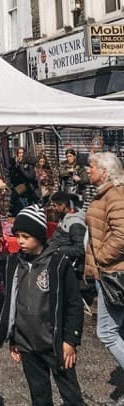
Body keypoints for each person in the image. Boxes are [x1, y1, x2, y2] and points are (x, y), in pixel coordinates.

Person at [0, 205, 85, 406]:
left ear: (39, 235)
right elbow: (12, 304)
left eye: (26, 236)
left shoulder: (58, 263)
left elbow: (73, 304)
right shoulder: (14, 264)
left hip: (55, 344)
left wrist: (71, 340)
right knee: (39, 396)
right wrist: (13, 337)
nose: (20, 241)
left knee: (71, 395)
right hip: (28, 344)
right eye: (18, 235)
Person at [84, 151, 124, 370]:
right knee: (117, 330)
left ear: (105, 172)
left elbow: (122, 235)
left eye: (93, 166)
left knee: (107, 332)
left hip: (113, 273)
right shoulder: (107, 194)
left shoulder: (115, 195)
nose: (89, 169)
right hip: (109, 273)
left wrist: (100, 257)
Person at [48, 191, 86, 272]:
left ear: (63, 205)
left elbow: (80, 249)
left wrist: (58, 250)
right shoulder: (64, 217)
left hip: (72, 267)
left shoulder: (75, 223)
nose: (53, 209)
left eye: (55, 206)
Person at [9, 147, 39, 214]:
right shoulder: (15, 162)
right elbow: (12, 174)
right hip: (17, 185)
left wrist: (22, 166)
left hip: (26, 185)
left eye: (22, 153)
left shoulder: (28, 163)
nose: (21, 154)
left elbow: (30, 176)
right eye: (19, 153)